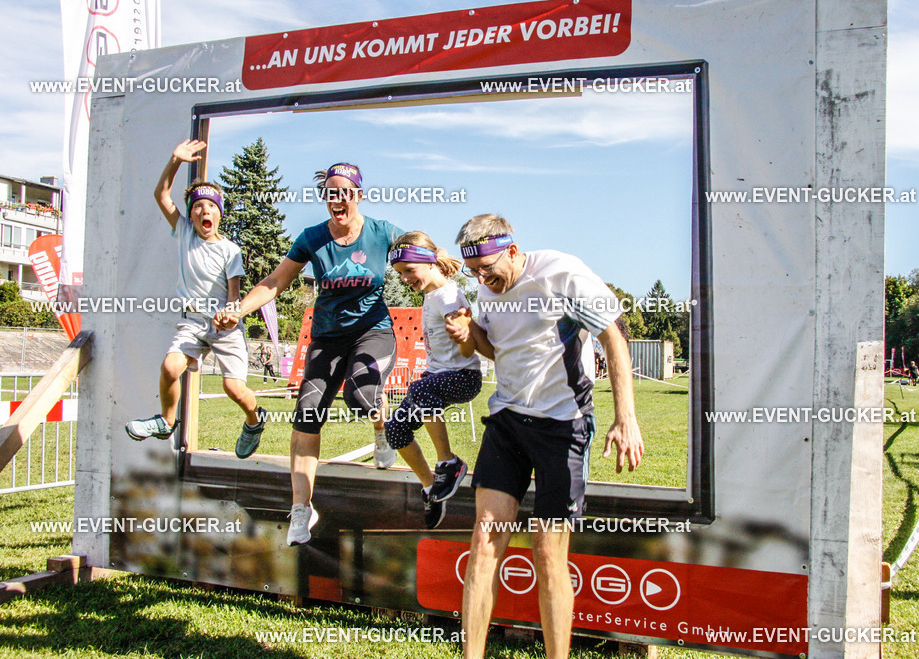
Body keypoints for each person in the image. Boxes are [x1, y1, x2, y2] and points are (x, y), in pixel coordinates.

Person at [446, 214, 644, 659]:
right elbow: (499, 350)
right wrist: (470, 332)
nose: (482, 280)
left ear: (513, 251)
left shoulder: (560, 273)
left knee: (548, 553)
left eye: (489, 270)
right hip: (509, 421)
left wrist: (624, 416)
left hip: (564, 424)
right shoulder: (486, 286)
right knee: (484, 539)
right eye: (474, 272)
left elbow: (613, 335)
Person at [215, 161, 403, 546]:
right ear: (325, 199)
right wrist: (239, 309)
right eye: (331, 192)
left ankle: (383, 430)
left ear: (358, 196)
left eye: (345, 192)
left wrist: (448, 265)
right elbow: (275, 281)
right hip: (328, 338)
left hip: (373, 331)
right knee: (307, 413)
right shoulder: (312, 237)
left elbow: (418, 251)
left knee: (363, 394)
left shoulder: (382, 232)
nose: (338, 199)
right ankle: (302, 508)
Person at [125, 139, 267, 460]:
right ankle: (166, 421)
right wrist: (175, 160)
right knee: (169, 366)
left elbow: (234, 295)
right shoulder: (185, 233)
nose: (205, 210)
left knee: (234, 389)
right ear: (190, 215)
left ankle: (254, 420)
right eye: (198, 206)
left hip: (225, 326)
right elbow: (161, 195)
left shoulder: (231, 250)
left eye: (211, 206)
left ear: (219, 214)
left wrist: (230, 314)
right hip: (192, 322)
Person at [383, 231, 482, 529]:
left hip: (464, 377)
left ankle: (448, 463)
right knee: (395, 430)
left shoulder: (450, 297)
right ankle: (432, 490)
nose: (404, 279)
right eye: (399, 274)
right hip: (437, 377)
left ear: (428, 263)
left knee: (420, 388)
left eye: (409, 271)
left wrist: (464, 335)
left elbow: (468, 351)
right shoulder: (431, 294)